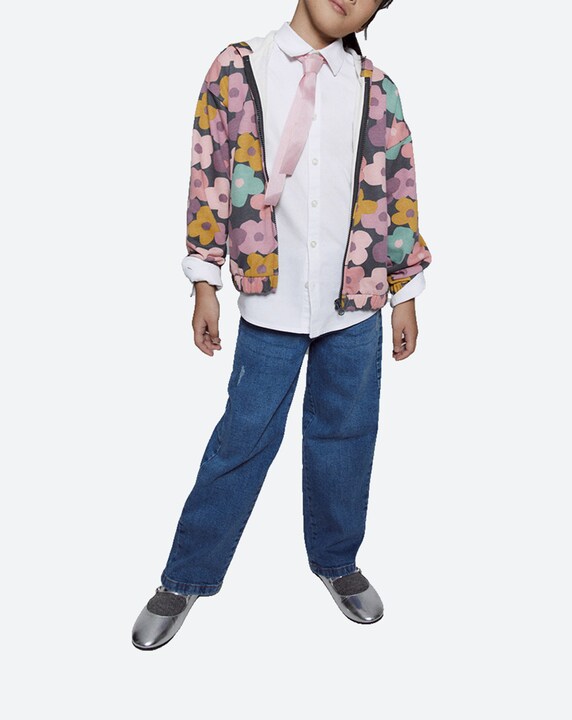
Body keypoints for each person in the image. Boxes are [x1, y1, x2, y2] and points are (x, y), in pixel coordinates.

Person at [132, 0, 432, 650]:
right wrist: (204, 280)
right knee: (241, 439)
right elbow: (210, 176)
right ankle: (186, 575)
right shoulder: (239, 68)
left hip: (355, 304)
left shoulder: (377, 90)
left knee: (346, 436)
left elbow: (399, 191)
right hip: (270, 301)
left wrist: (405, 290)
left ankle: (337, 560)